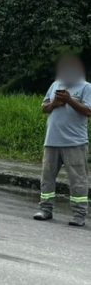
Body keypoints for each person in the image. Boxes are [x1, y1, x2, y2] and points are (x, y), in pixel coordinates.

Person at [34, 55, 91, 227]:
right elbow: (44, 108)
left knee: (78, 181)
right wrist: (54, 104)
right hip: (51, 141)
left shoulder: (86, 87)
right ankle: (46, 210)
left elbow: (88, 111)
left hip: (75, 143)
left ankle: (79, 215)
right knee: (47, 178)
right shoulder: (55, 85)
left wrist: (69, 100)